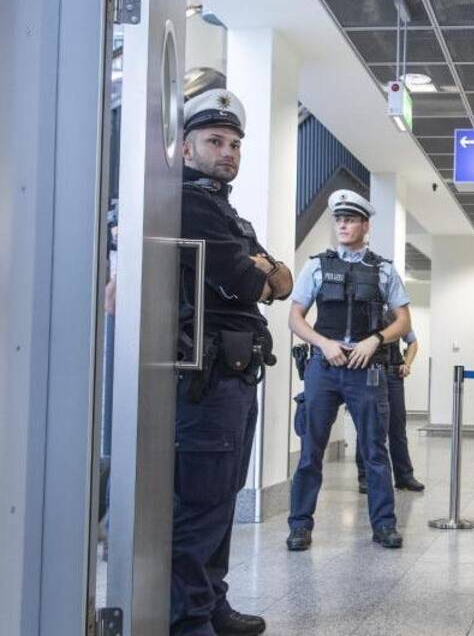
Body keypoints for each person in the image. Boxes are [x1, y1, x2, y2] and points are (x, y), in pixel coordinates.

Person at [172, 88, 293, 636]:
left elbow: (281, 283)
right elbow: (248, 280)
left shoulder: (226, 211)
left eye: (235, 143)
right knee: (200, 504)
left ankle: (211, 602)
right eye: (215, 141)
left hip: (237, 374)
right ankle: (188, 618)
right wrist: (259, 268)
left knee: (222, 500)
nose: (228, 152)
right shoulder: (189, 203)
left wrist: (261, 267)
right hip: (207, 376)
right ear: (186, 146)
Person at [286, 189, 412, 551]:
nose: (342, 224)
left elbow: (403, 321)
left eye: (350, 219)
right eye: (338, 219)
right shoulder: (316, 265)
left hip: (366, 368)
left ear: (365, 225)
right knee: (311, 450)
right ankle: (299, 526)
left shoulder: (383, 269)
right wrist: (323, 343)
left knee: (374, 450)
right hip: (324, 367)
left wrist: (376, 339)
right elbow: (295, 317)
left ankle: (384, 525)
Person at [355, 318, 425, 494]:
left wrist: (407, 364)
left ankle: (404, 477)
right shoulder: (363, 307)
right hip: (370, 372)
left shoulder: (397, 315)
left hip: (393, 374)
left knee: (397, 428)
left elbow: (412, 342)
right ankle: (365, 476)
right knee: (368, 425)